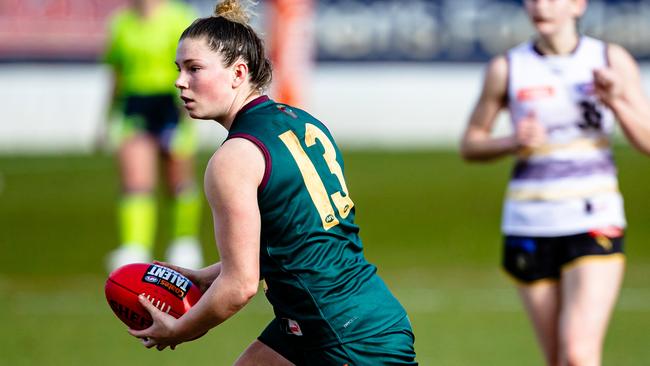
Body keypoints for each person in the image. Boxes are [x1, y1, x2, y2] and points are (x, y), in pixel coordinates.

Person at [127, 1, 417, 364]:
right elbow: (296, 235)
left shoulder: (233, 159)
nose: (179, 81)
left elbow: (240, 286)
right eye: (178, 69)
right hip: (351, 314)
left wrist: (181, 329)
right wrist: (207, 276)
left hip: (343, 335)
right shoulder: (301, 121)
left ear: (238, 73)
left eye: (194, 68)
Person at [460, 0, 650, 365]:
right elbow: (470, 144)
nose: (540, 6)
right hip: (530, 221)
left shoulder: (611, 60)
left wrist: (618, 101)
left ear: (578, 5)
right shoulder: (508, 67)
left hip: (594, 215)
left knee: (579, 353)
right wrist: (511, 141)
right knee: (556, 358)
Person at [103, 0, 204, 271]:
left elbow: (194, 66)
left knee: (178, 180)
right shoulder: (121, 23)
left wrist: (189, 108)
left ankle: (184, 243)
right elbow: (116, 74)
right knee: (136, 180)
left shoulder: (180, 18)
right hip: (135, 106)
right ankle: (135, 247)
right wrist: (106, 118)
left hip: (172, 105)